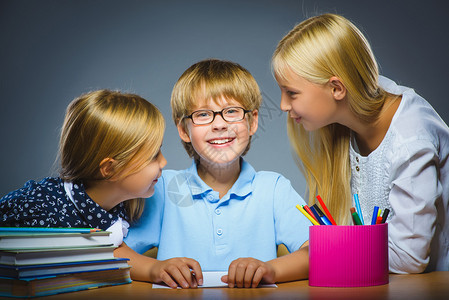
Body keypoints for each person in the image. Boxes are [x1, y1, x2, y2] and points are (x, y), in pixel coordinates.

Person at [272, 13, 449, 273]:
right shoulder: (352, 109)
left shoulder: (410, 138)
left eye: (292, 93)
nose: (283, 105)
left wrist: (328, 249)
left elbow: (409, 258)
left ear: (336, 88)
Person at [114, 59, 310, 288]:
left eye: (232, 111)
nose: (219, 125)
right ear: (183, 129)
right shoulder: (163, 188)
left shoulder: (274, 188)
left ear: (253, 121)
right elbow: (112, 249)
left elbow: (318, 252)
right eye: (203, 114)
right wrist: (154, 268)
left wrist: (270, 269)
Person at [0, 90, 167, 246]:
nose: (164, 162)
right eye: (153, 156)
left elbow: (112, 252)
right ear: (110, 169)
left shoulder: (119, 206)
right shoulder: (40, 216)